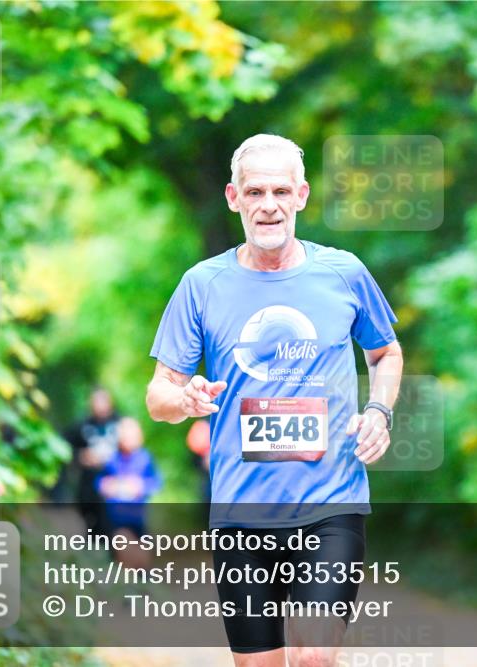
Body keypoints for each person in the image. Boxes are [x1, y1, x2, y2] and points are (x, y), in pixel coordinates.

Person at [146, 134, 404, 666]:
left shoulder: (344, 274)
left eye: (281, 190)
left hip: (331, 505)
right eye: (255, 191)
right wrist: (185, 397)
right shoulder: (202, 285)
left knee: (313, 657)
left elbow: (385, 354)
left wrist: (378, 411)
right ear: (233, 197)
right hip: (241, 515)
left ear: (302, 196)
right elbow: (158, 396)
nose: (269, 205)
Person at [97, 416, 162, 567]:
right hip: (115, 518)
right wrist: (106, 486)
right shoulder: (112, 459)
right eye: (124, 433)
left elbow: (156, 482)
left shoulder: (145, 458)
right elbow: (99, 482)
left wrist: (141, 486)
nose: (127, 438)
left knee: (142, 559)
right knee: (122, 553)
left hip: (138, 517)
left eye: (131, 434)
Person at [61, 388, 120, 534]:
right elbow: (64, 448)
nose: (99, 405)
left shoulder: (121, 424)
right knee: (89, 520)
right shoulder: (80, 426)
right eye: (96, 401)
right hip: (87, 483)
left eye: (103, 401)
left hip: (114, 481)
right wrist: (81, 456)